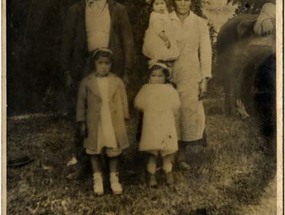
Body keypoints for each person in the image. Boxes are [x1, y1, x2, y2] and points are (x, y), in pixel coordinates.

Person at [61, 0, 134, 179]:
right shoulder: (76, 10)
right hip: (85, 64)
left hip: (110, 63)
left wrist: (127, 71)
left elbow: (128, 41)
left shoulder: (118, 9)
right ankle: (84, 163)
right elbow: (67, 41)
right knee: (85, 115)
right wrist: (67, 71)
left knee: (113, 116)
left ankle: (117, 166)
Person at [76, 48, 129, 195]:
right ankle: (97, 178)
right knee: (94, 150)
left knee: (114, 149)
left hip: (112, 121)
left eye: (107, 63)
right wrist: (81, 122)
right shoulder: (87, 82)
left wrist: (124, 118)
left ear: (111, 64)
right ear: (94, 64)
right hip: (95, 122)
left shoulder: (117, 81)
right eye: (100, 63)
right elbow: (81, 104)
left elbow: (124, 101)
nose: (104, 66)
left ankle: (114, 178)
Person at [170, 0, 212, 170]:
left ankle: (181, 156)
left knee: (186, 112)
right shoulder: (165, 19)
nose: (182, 3)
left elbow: (206, 50)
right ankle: (167, 155)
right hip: (169, 71)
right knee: (169, 111)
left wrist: (205, 78)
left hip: (190, 72)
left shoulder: (199, 23)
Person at [134, 63, 180, 186]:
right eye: (154, 76)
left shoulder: (169, 89)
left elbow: (176, 104)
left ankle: (168, 172)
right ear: (149, 77)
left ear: (165, 77)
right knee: (152, 151)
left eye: (160, 76)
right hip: (151, 124)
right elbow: (139, 103)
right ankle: (152, 175)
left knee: (167, 151)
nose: (157, 78)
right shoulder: (146, 89)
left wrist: (168, 110)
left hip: (165, 123)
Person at [142, 0, 180, 65]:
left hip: (166, 35)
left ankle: (166, 65)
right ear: (152, 7)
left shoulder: (165, 13)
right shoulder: (155, 17)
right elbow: (159, 31)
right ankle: (156, 63)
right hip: (159, 38)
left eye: (162, 3)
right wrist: (166, 40)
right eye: (157, 4)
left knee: (166, 53)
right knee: (159, 52)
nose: (160, 6)